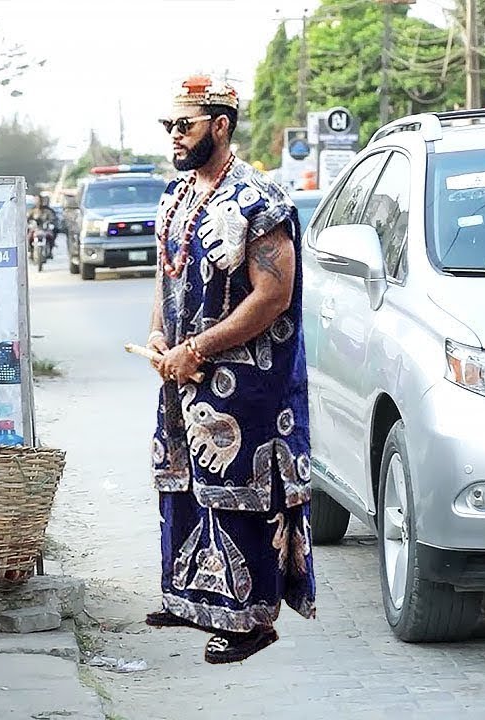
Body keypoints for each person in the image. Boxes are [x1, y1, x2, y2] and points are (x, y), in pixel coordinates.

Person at [144, 75, 315, 664]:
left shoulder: (259, 199)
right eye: (169, 126)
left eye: (184, 125)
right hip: (180, 369)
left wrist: (200, 348)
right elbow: (167, 275)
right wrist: (159, 336)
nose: (174, 135)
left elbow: (273, 295)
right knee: (184, 484)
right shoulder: (176, 195)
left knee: (240, 492)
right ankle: (192, 601)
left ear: (220, 126)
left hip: (244, 378)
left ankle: (251, 622)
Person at [28, 191, 57, 259]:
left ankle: (50, 251)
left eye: (39, 201)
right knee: (29, 237)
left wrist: (50, 222)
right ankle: (31, 252)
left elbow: (53, 217)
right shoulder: (32, 210)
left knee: (51, 236)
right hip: (36, 229)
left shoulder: (48, 210)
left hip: (45, 229)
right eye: (37, 201)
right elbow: (28, 218)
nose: (38, 203)